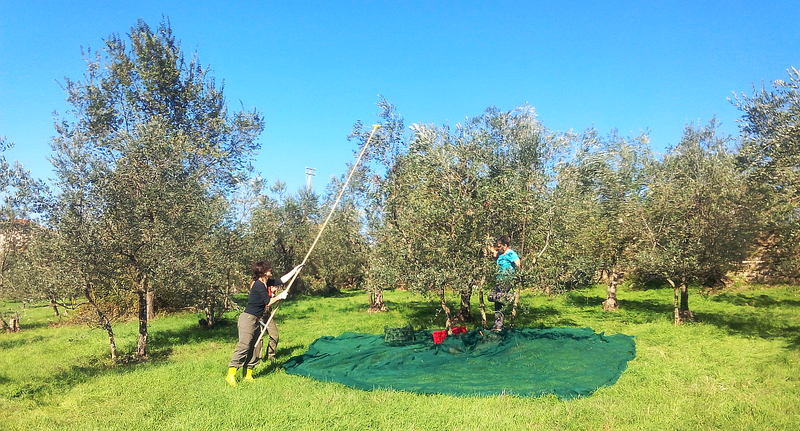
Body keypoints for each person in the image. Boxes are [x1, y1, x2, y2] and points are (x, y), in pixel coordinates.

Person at [226, 261, 303, 386]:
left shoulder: (266, 282)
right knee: (244, 346)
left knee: (256, 346)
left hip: (257, 319)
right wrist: (280, 296)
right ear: (262, 272)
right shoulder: (258, 285)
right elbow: (268, 302)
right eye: (268, 268)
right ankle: (231, 374)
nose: (270, 269)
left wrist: (295, 270)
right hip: (248, 319)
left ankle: (248, 374)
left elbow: (281, 280)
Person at [489, 235, 521, 332]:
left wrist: (519, 273)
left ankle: (510, 296)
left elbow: (518, 262)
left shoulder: (511, 253)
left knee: (499, 300)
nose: (498, 247)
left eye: (500, 245)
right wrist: (494, 253)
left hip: (506, 280)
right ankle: (498, 324)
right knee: (493, 298)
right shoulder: (501, 254)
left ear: (505, 245)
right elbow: (491, 249)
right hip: (499, 280)